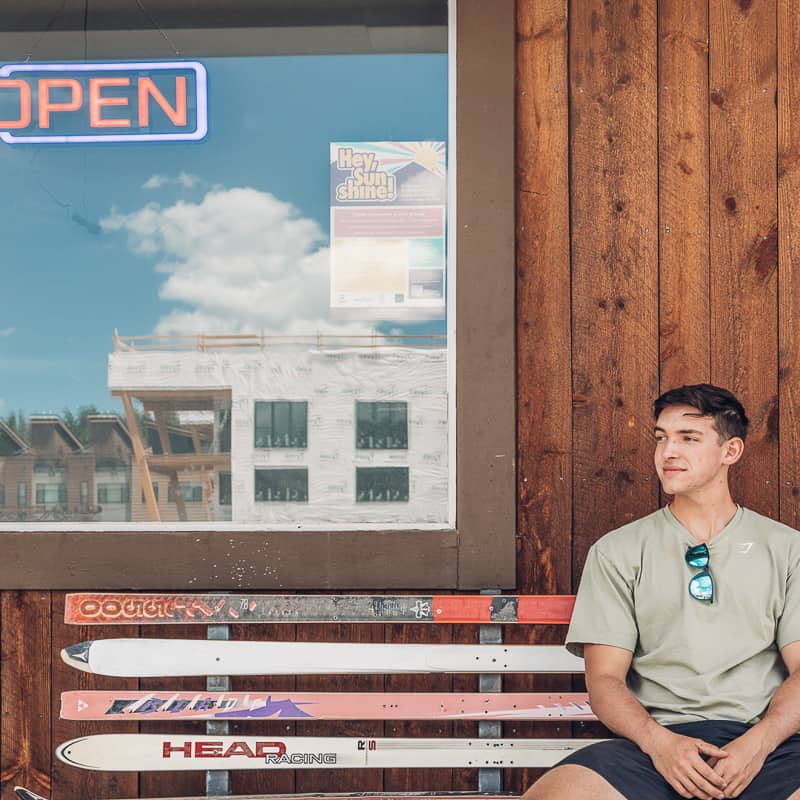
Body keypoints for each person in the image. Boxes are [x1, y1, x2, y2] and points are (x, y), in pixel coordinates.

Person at [524, 384, 800, 800]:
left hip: (764, 744)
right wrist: (660, 744)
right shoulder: (618, 551)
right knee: (557, 794)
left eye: (688, 438)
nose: (668, 451)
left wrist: (757, 745)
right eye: (661, 437)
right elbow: (604, 678)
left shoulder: (787, 549)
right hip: (654, 747)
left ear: (731, 451)